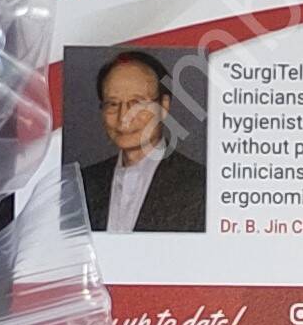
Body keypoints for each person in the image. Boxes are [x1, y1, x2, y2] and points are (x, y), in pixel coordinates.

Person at [76, 50, 206, 233]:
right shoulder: (81, 185)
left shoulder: (199, 185)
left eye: (137, 103)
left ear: (164, 106)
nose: (124, 117)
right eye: (113, 104)